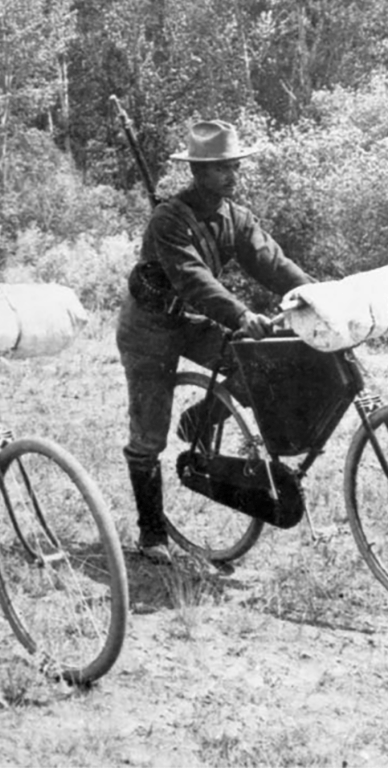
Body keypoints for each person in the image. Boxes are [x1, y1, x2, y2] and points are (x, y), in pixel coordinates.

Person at [117, 120, 313, 564]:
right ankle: (151, 533)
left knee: (257, 363)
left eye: (234, 167)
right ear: (197, 172)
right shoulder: (168, 220)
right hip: (148, 330)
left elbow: (274, 263)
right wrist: (241, 315)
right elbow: (193, 279)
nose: (231, 175)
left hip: (192, 321)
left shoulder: (235, 217)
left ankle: (203, 417)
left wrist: (318, 296)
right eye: (219, 168)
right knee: (149, 435)